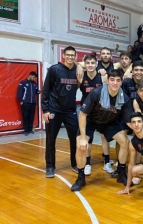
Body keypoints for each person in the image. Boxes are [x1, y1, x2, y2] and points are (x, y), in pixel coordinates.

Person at [71, 70, 133, 191]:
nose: (115, 83)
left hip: (109, 122)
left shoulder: (124, 98)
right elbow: (82, 115)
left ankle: (121, 173)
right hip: (91, 121)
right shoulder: (96, 93)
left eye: (118, 80)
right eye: (112, 80)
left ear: (121, 82)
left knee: (125, 142)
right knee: (80, 146)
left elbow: (128, 121)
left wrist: (142, 131)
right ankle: (81, 178)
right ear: (107, 80)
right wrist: (83, 138)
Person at [42, 46, 79, 177]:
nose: (70, 57)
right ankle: (50, 166)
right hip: (54, 110)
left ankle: (75, 164)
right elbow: (45, 90)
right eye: (68, 55)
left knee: (75, 140)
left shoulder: (78, 71)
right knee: (50, 140)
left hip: (71, 111)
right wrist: (45, 110)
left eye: (72, 55)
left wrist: (79, 66)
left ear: (75, 56)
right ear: (63, 56)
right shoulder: (54, 70)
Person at [78, 54, 112, 176]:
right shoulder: (81, 76)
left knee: (104, 137)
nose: (90, 65)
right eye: (88, 63)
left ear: (97, 64)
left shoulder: (102, 76)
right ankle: (87, 163)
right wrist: (79, 67)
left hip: (100, 112)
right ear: (85, 64)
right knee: (88, 139)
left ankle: (107, 162)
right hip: (86, 113)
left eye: (93, 63)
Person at [17, 71, 40, 136]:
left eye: (34, 78)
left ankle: (30, 129)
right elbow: (19, 93)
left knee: (31, 117)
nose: (34, 79)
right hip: (25, 103)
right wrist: (21, 101)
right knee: (25, 116)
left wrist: (39, 91)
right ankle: (26, 130)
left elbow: (36, 92)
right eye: (33, 77)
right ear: (29, 75)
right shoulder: (23, 83)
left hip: (33, 103)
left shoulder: (35, 84)